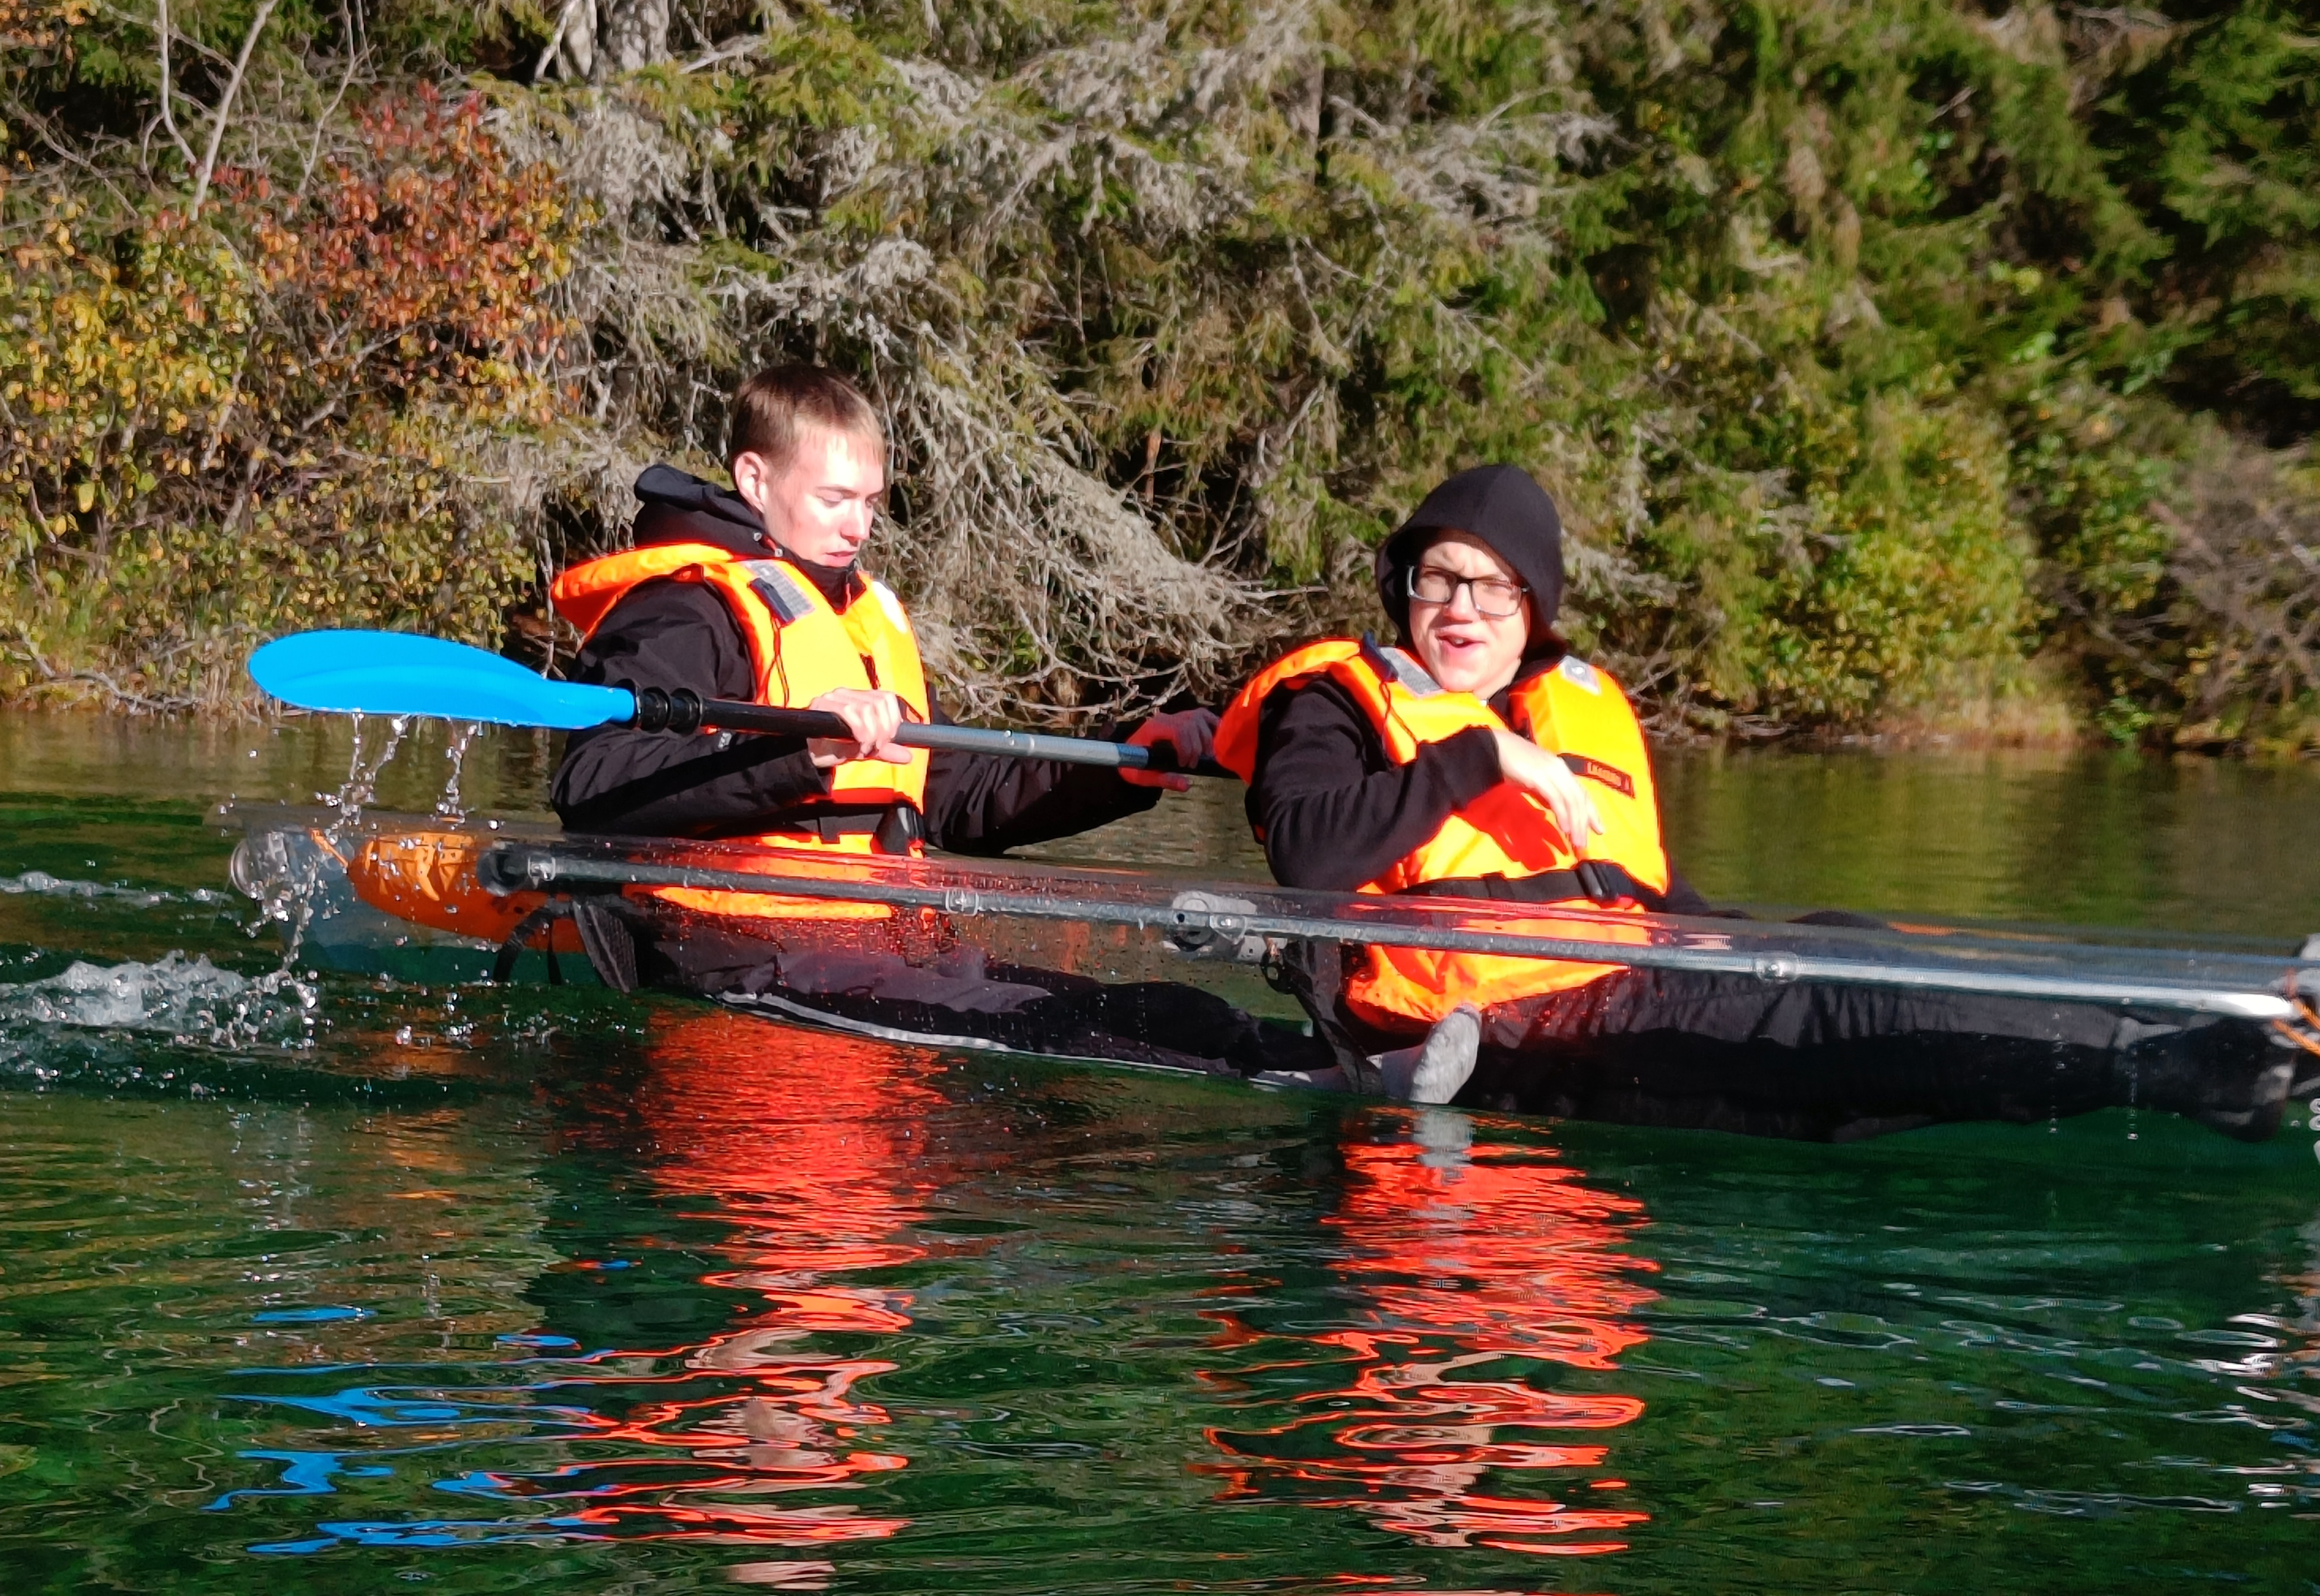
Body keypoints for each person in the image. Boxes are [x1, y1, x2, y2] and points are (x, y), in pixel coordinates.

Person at [1214, 464, 2301, 1140]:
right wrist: (1478, 762)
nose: (1460, 608)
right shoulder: (1336, 702)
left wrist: (1745, 938)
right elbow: (1308, 856)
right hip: (1499, 1034)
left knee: (1856, 952)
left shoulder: (1566, 706)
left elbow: (1645, 892)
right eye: (1436, 580)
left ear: (1532, 606)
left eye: (1492, 586)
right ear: (1404, 589)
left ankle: (2215, 1051)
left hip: (1625, 979)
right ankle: (2222, 1065)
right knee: (1854, 1013)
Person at [546, 363, 1330, 1078]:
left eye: (869, 504)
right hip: (742, 947)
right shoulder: (687, 608)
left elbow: (957, 796)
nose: (858, 528)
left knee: (1173, 1012)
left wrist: (1118, 765)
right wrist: (797, 750)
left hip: (887, 942)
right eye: (834, 500)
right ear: (755, 477)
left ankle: (1352, 1067)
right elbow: (592, 782)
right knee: (1063, 1042)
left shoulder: (861, 616)